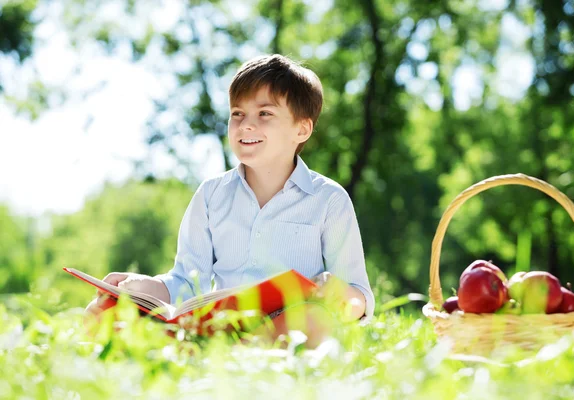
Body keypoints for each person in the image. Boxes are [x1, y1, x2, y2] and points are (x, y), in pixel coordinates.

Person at [86, 54, 374, 347]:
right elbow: (186, 282)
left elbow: (359, 295)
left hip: (287, 326)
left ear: (301, 129)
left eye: (264, 114)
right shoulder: (211, 195)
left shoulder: (329, 199)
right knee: (104, 309)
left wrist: (339, 294)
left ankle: (226, 354)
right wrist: (144, 286)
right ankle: (217, 350)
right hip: (217, 325)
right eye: (237, 113)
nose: (245, 125)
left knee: (314, 319)